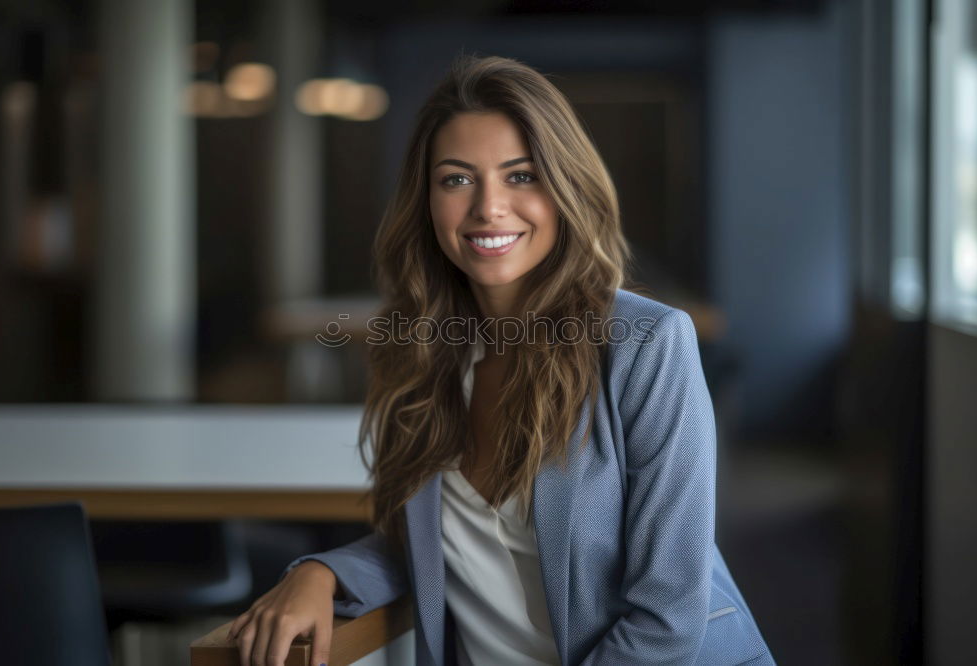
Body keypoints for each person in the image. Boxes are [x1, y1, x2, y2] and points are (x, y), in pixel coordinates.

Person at [227, 53, 776, 666]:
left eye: (521, 176)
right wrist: (322, 575)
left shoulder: (648, 344)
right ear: (426, 199)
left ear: (565, 185)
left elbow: (668, 615)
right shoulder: (417, 349)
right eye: (457, 179)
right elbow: (428, 546)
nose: (488, 207)